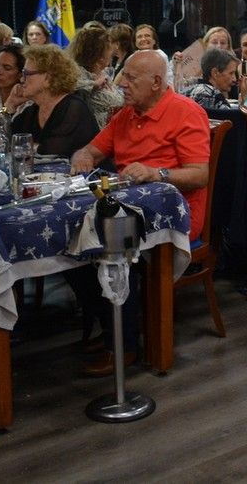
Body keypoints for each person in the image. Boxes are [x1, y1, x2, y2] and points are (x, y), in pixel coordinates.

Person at [70, 50, 211, 375]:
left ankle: (123, 345)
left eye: (131, 78)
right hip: (128, 209)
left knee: (106, 241)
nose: (121, 82)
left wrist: (157, 172)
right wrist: (82, 156)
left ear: (157, 82)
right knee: (73, 243)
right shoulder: (126, 114)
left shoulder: (185, 112)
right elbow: (91, 149)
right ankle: (114, 328)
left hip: (175, 215)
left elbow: (199, 174)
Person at [10, 44, 99, 158]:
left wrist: (26, 148)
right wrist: (9, 106)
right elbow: (6, 142)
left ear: (48, 78)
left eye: (27, 74)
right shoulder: (32, 111)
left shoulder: (73, 108)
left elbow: (52, 151)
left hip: (88, 174)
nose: (22, 79)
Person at [71, 22, 124, 128]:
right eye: (109, 48)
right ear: (99, 55)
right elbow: (68, 88)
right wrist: (93, 84)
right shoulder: (78, 75)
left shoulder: (103, 73)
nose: (113, 52)